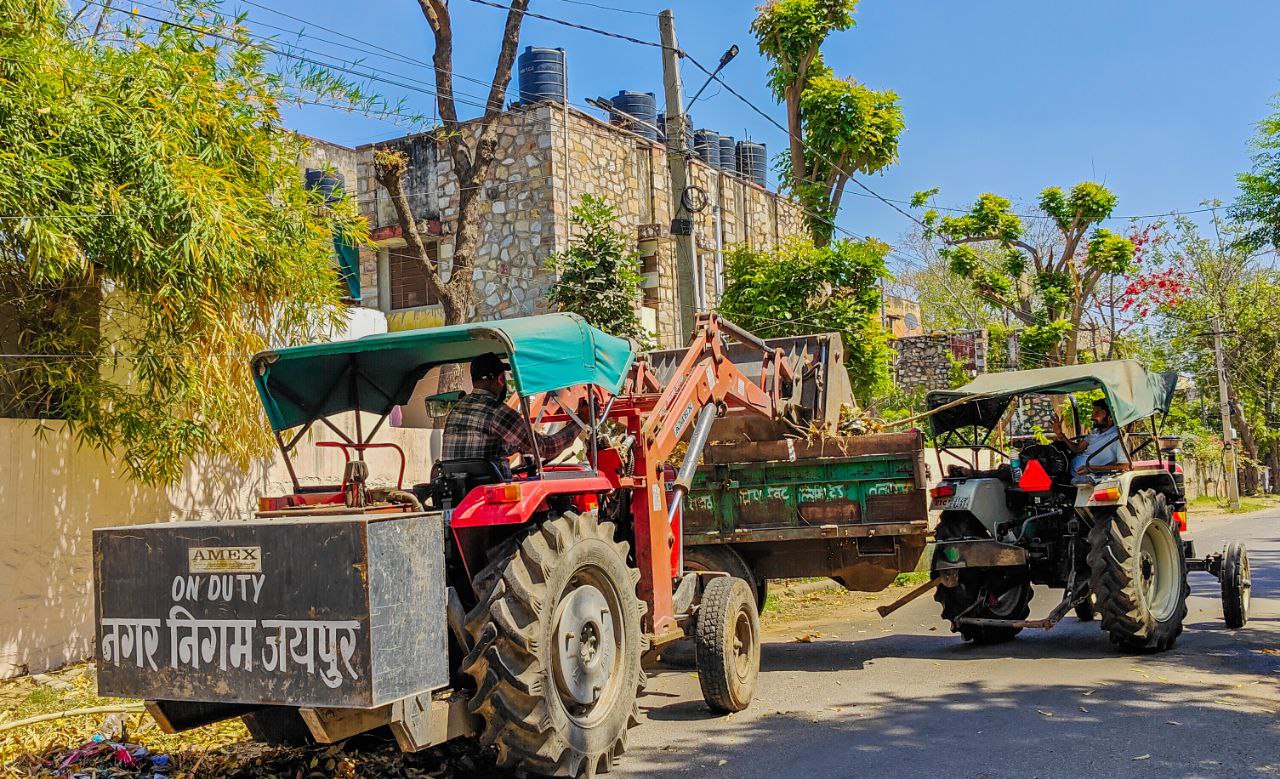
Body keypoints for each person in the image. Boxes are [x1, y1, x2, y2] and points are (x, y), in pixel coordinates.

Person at [441, 352, 583, 469]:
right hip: (488, 492)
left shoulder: (456, 410)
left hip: (456, 491)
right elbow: (546, 448)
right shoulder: (497, 412)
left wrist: (517, 446)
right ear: (501, 379)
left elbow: (483, 446)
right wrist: (581, 422)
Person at [1052, 398, 1128, 480]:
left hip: (1084, 479)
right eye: (1093, 412)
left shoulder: (1118, 438)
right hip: (1068, 470)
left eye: (1097, 412)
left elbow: (1124, 466)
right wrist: (1060, 435)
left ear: (1110, 417)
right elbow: (1077, 449)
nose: (1092, 416)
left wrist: (1091, 468)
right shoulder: (1095, 432)